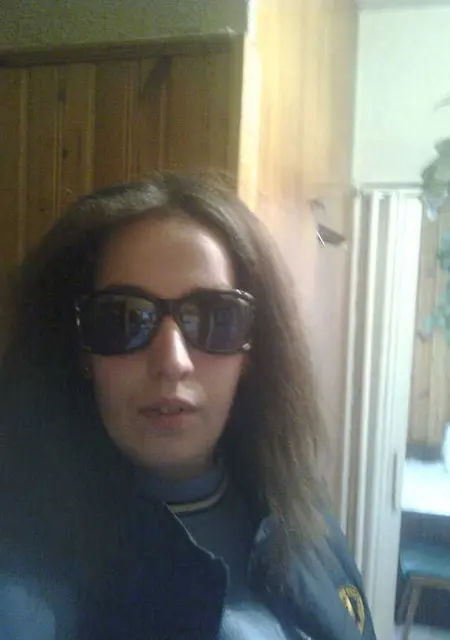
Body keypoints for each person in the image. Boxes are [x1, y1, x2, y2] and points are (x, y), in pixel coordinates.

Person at [0, 172, 376, 639]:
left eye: (216, 317)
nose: (172, 363)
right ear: (81, 352)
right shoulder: (26, 577)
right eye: (124, 319)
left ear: (251, 351)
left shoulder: (298, 508)